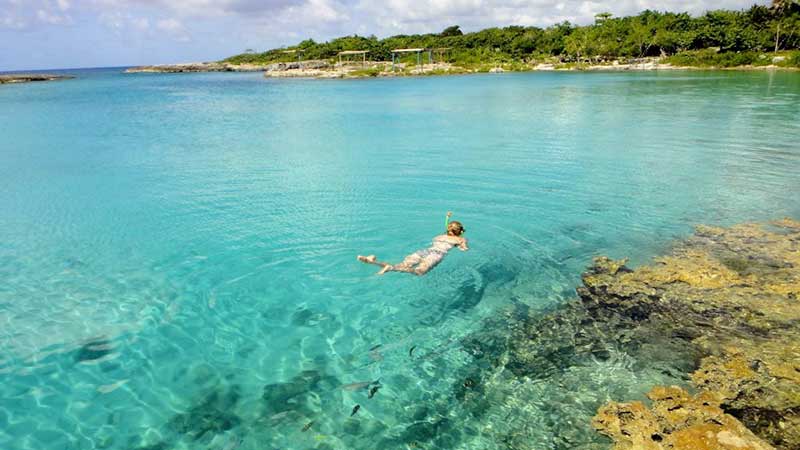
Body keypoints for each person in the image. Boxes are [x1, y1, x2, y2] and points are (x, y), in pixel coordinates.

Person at [357, 212, 469, 276]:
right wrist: (462, 245)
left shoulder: (439, 236)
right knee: (419, 272)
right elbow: (464, 249)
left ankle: (373, 261)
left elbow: (442, 239)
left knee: (402, 265)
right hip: (437, 254)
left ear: (448, 229)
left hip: (425, 251)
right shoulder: (460, 240)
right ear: (460, 232)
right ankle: (389, 268)